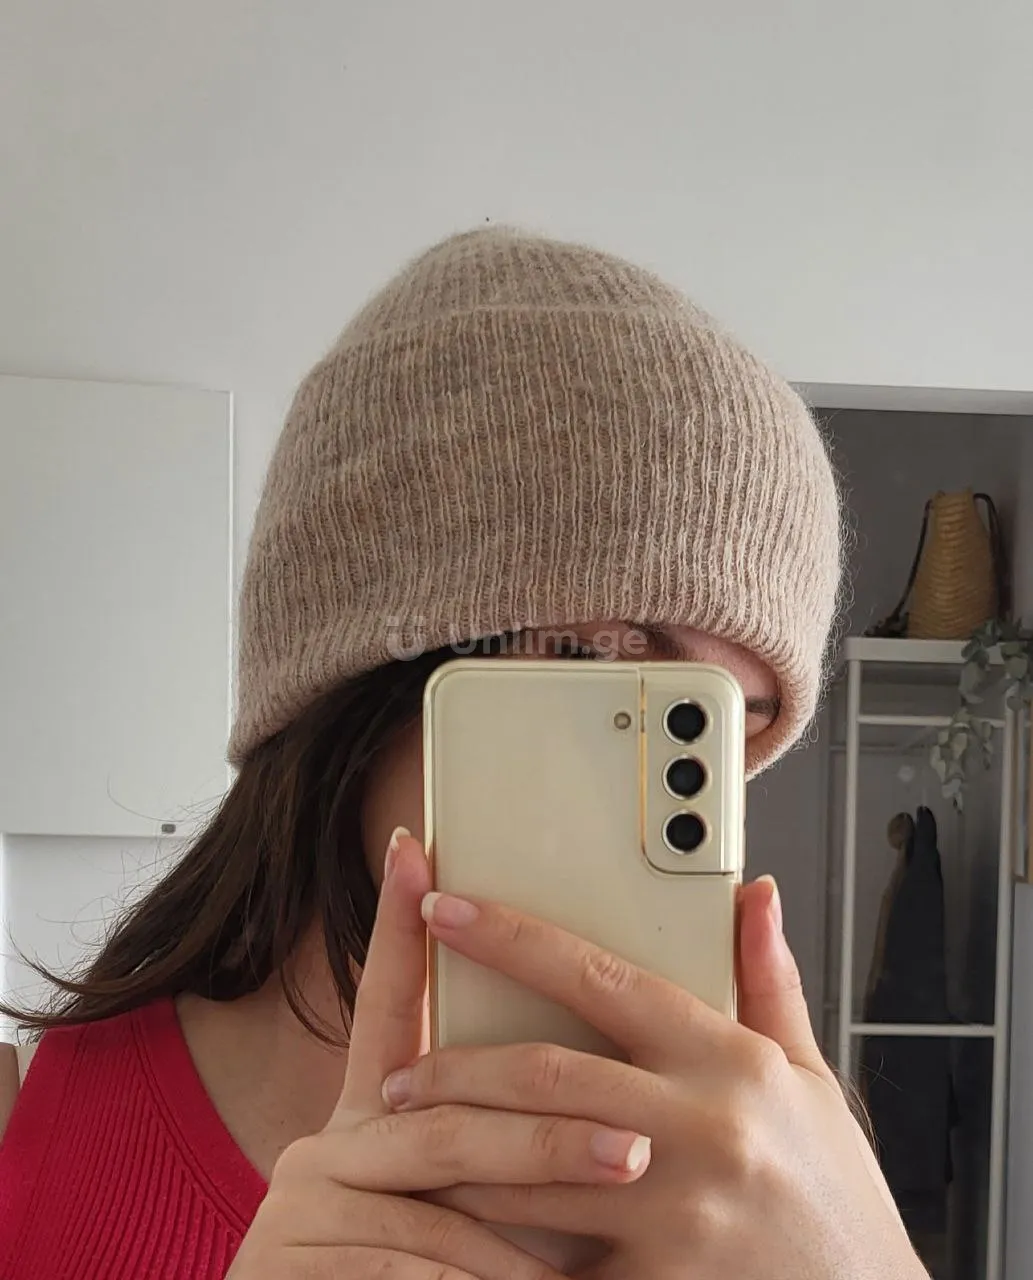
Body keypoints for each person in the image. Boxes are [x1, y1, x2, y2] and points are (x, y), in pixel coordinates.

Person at [0, 228, 927, 1279]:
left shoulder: (779, 1176)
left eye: (726, 724)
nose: (676, 778)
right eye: (589, 665)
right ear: (348, 684)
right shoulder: (28, 1125)